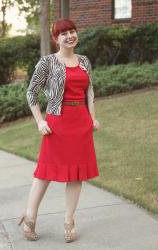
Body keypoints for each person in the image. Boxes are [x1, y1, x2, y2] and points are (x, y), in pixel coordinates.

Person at [18, 18, 101, 243]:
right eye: (63, 33)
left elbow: (89, 91)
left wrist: (92, 118)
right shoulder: (47, 62)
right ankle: (30, 216)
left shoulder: (84, 61)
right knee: (45, 171)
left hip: (80, 123)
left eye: (72, 31)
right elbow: (31, 93)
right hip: (57, 123)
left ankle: (69, 221)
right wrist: (39, 122)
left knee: (76, 174)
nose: (69, 36)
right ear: (56, 39)